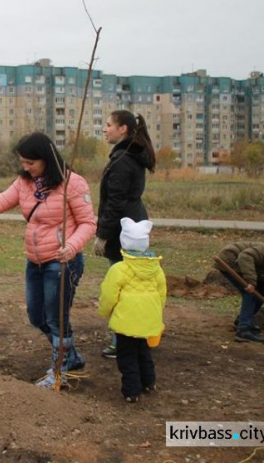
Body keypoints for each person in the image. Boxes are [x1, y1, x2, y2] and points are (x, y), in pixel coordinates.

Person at [0, 132, 96, 388]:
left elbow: (88, 223)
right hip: (34, 260)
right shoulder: (25, 183)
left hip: (62, 261)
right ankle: (71, 357)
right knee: (37, 317)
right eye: (22, 162)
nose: (25, 167)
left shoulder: (73, 184)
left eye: (30, 163)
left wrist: (71, 246)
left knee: (56, 319)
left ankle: (59, 373)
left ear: (45, 159)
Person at [93, 110, 156, 359]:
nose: (104, 129)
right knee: (137, 284)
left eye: (109, 125)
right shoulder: (130, 156)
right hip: (134, 225)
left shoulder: (122, 160)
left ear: (123, 130)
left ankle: (123, 342)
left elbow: (115, 203)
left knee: (122, 286)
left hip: (124, 230)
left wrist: (102, 235)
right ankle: (138, 335)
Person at [98, 218, 166, 403]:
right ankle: (148, 382)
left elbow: (109, 294)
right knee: (143, 350)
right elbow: (161, 293)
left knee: (126, 355)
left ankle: (131, 390)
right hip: (147, 318)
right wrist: (156, 312)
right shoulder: (156, 269)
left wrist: (105, 311)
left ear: (124, 242)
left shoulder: (119, 269)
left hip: (126, 320)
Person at [213, 241, 264, 343]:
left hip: (250, 264)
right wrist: (251, 282)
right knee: (250, 293)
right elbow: (245, 256)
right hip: (231, 260)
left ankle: (242, 321)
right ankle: (243, 331)